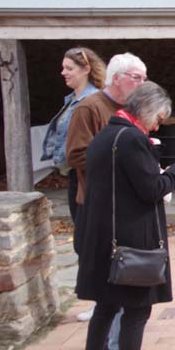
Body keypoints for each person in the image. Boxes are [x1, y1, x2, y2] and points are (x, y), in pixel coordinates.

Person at [74, 82, 175, 350]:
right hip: (130, 239)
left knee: (106, 304)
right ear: (145, 110)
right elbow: (151, 188)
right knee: (136, 308)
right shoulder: (131, 139)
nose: (157, 126)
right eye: (158, 118)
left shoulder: (106, 135)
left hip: (104, 234)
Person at [66, 52, 152, 350]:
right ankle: (116, 349)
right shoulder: (89, 108)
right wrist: (124, 160)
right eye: (137, 78)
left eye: (144, 79)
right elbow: (76, 155)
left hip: (123, 204)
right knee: (116, 277)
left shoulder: (129, 109)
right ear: (117, 78)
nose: (142, 84)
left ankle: (110, 346)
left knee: (122, 277)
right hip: (99, 206)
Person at [41, 47, 106, 223]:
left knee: (87, 227)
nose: (63, 73)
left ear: (86, 69)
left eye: (69, 68)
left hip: (87, 175)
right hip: (75, 173)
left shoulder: (92, 102)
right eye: (63, 68)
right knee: (81, 226)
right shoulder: (71, 100)